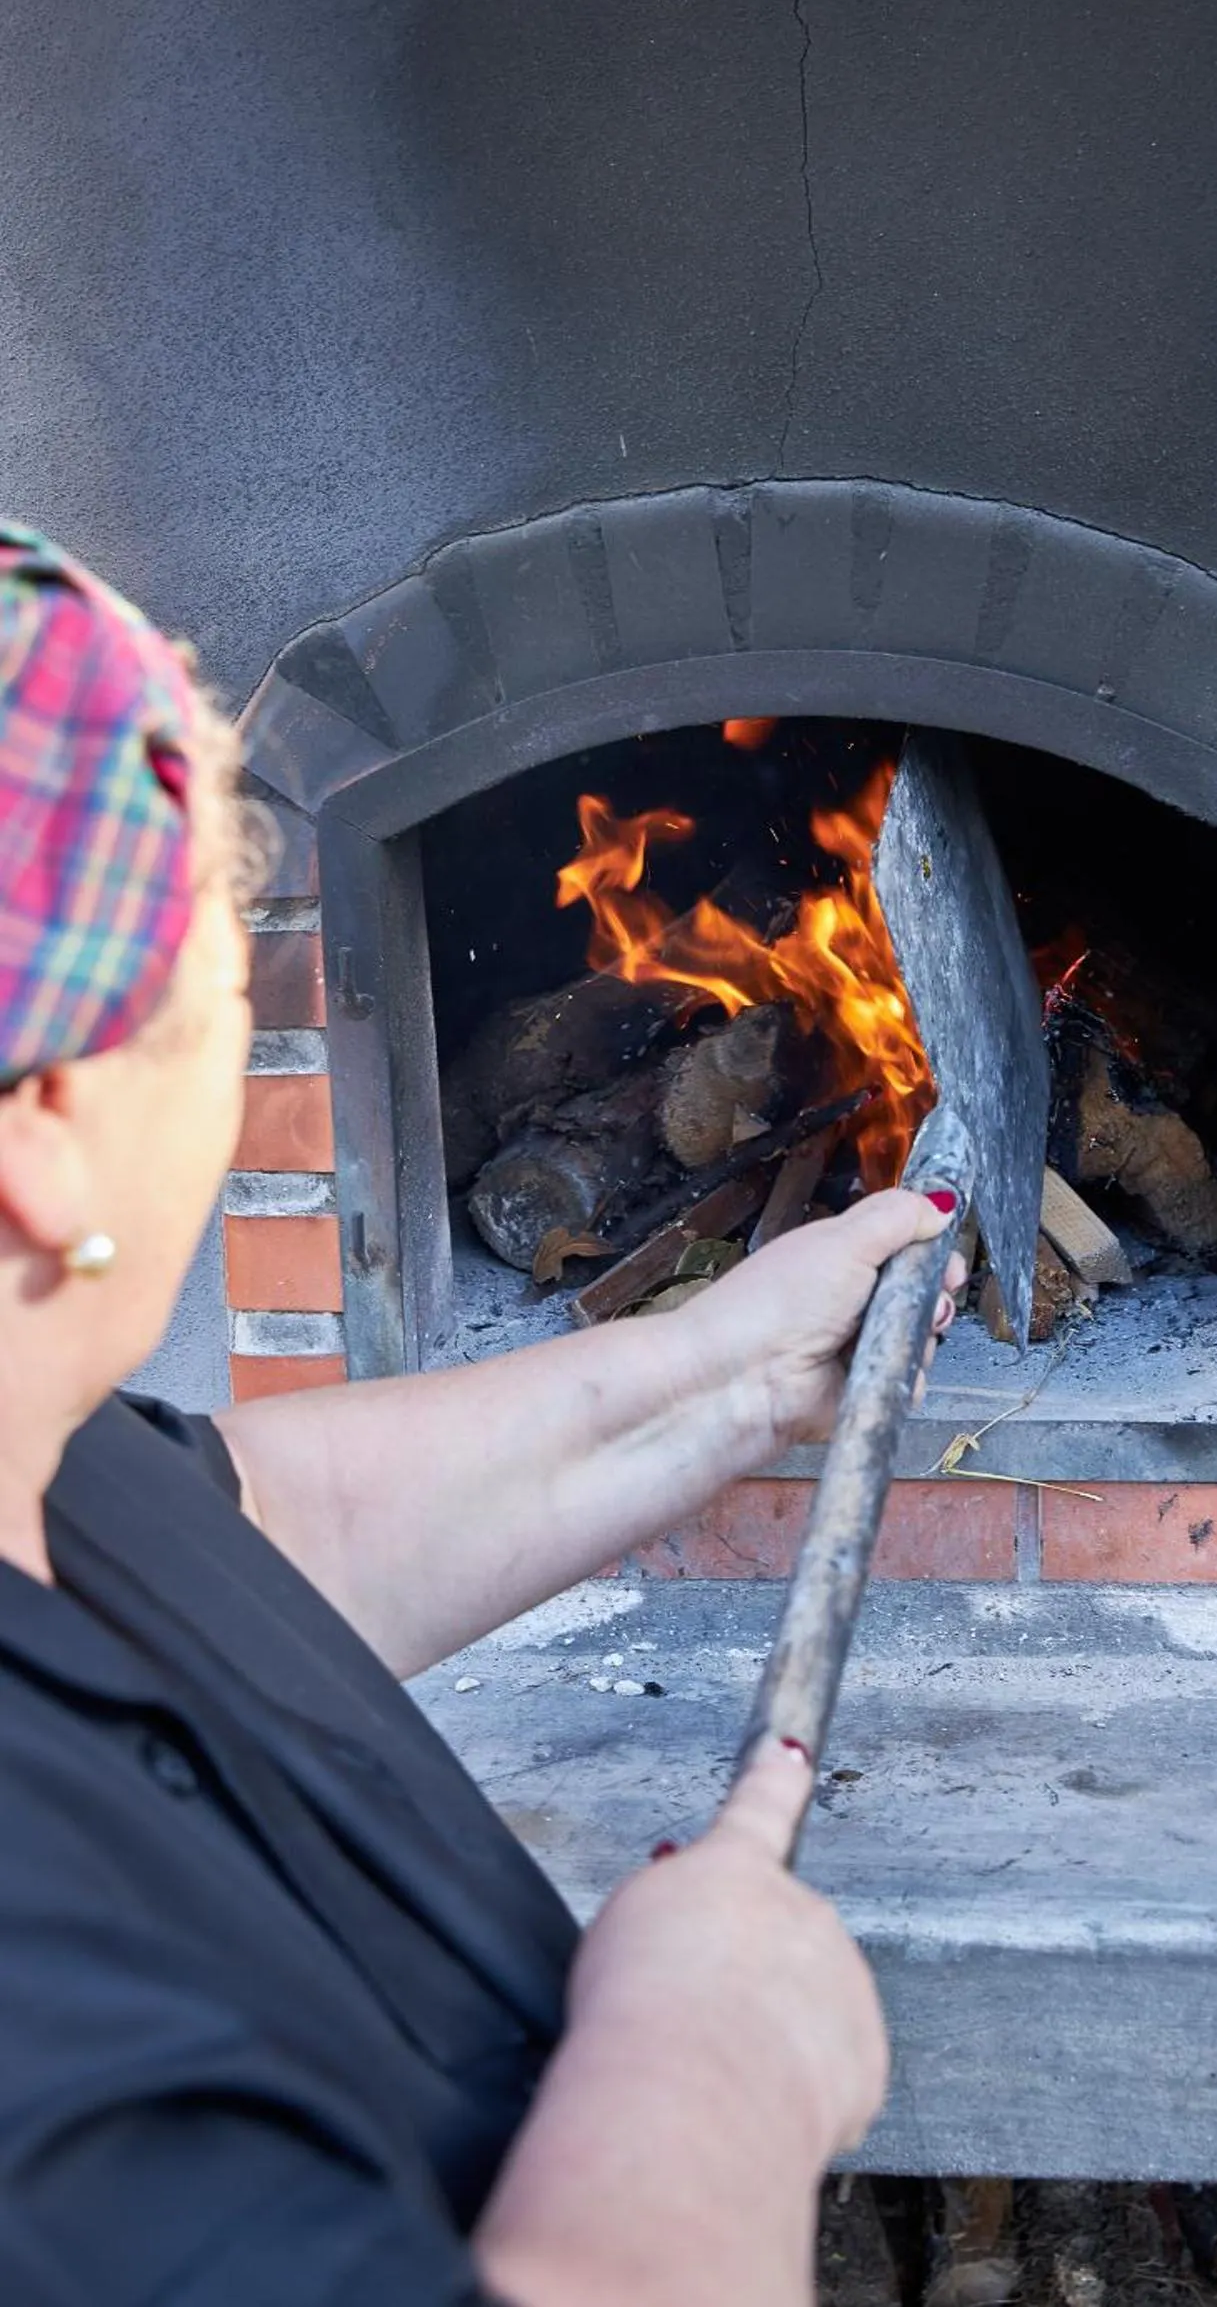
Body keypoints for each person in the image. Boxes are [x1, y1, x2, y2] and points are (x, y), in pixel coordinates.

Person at [0, 523, 966, 2305]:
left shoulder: (27, 1453)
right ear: (47, 1137)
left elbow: (259, 1543)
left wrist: (736, 1365)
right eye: (220, 994)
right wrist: (714, 2058)